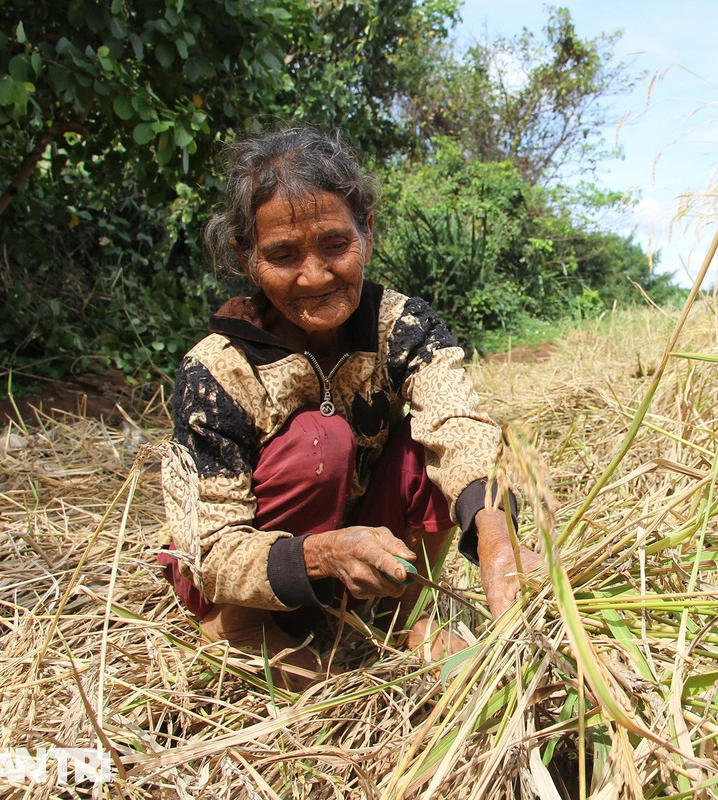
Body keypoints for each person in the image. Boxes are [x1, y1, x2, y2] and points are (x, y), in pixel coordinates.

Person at [158, 125, 543, 689]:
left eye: (336, 244)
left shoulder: (402, 327)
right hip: (257, 571)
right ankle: (244, 628)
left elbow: (457, 424)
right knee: (321, 440)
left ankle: (401, 613)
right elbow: (211, 547)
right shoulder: (218, 370)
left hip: (356, 531)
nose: (315, 276)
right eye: (282, 255)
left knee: (426, 447)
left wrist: (496, 534)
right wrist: (321, 555)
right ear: (246, 258)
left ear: (367, 232)